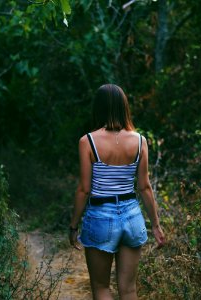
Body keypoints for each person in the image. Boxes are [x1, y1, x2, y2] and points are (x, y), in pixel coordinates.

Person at [69, 84, 166, 300]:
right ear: (124, 107)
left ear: (98, 108)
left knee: (102, 287)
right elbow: (144, 187)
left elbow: (84, 189)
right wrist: (156, 226)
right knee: (129, 289)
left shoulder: (88, 142)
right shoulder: (140, 141)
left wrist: (74, 225)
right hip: (132, 217)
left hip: (100, 217)